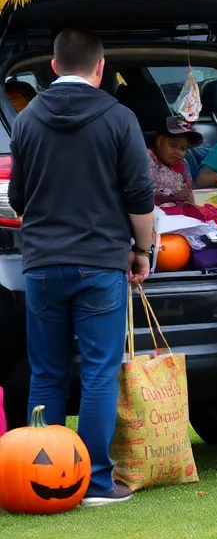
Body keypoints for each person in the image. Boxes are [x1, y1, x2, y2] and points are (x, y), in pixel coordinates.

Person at [8, 27, 156, 507]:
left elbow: (18, 197)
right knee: (98, 372)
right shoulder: (119, 117)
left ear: (53, 67)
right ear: (100, 67)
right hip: (99, 263)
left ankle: (42, 476)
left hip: (42, 264)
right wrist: (143, 250)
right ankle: (93, 482)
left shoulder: (26, 120)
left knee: (46, 372)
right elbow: (139, 194)